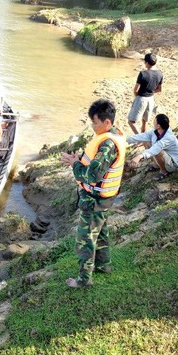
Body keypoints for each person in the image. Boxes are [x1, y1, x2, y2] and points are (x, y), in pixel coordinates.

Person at [60, 99, 126, 288]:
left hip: (95, 200)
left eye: (95, 122)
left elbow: (93, 176)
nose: (92, 126)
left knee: (85, 240)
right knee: (101, 233)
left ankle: (83, 280)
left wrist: (74, 164)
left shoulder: (108, 145)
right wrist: (78, 159)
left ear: (107, 122)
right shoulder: (114, 134)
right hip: (104, 199)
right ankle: (104, 266)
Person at [127, 113, 178, 181]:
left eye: (154, 121)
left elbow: (155, 149)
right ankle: (156, 164)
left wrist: (139, 156)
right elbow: (142, 136)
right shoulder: (155, 131)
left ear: (158, 126)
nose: (153, 122)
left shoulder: (168, 137)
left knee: (158, 151)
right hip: (165, 158)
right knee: (146, 141)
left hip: (172, 164)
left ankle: (163, 171)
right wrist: (126, 139)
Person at [127, 53, 163, 134]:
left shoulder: (143, 74)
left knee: (131, 121)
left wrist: (137, 97)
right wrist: (151, 91)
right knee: (144, 121)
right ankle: (143, 136)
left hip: (141, 98)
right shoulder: (160, 74)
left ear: (146, 62)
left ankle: (141, 139)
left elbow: (136, 89)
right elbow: (159, 89)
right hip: (151, 99)